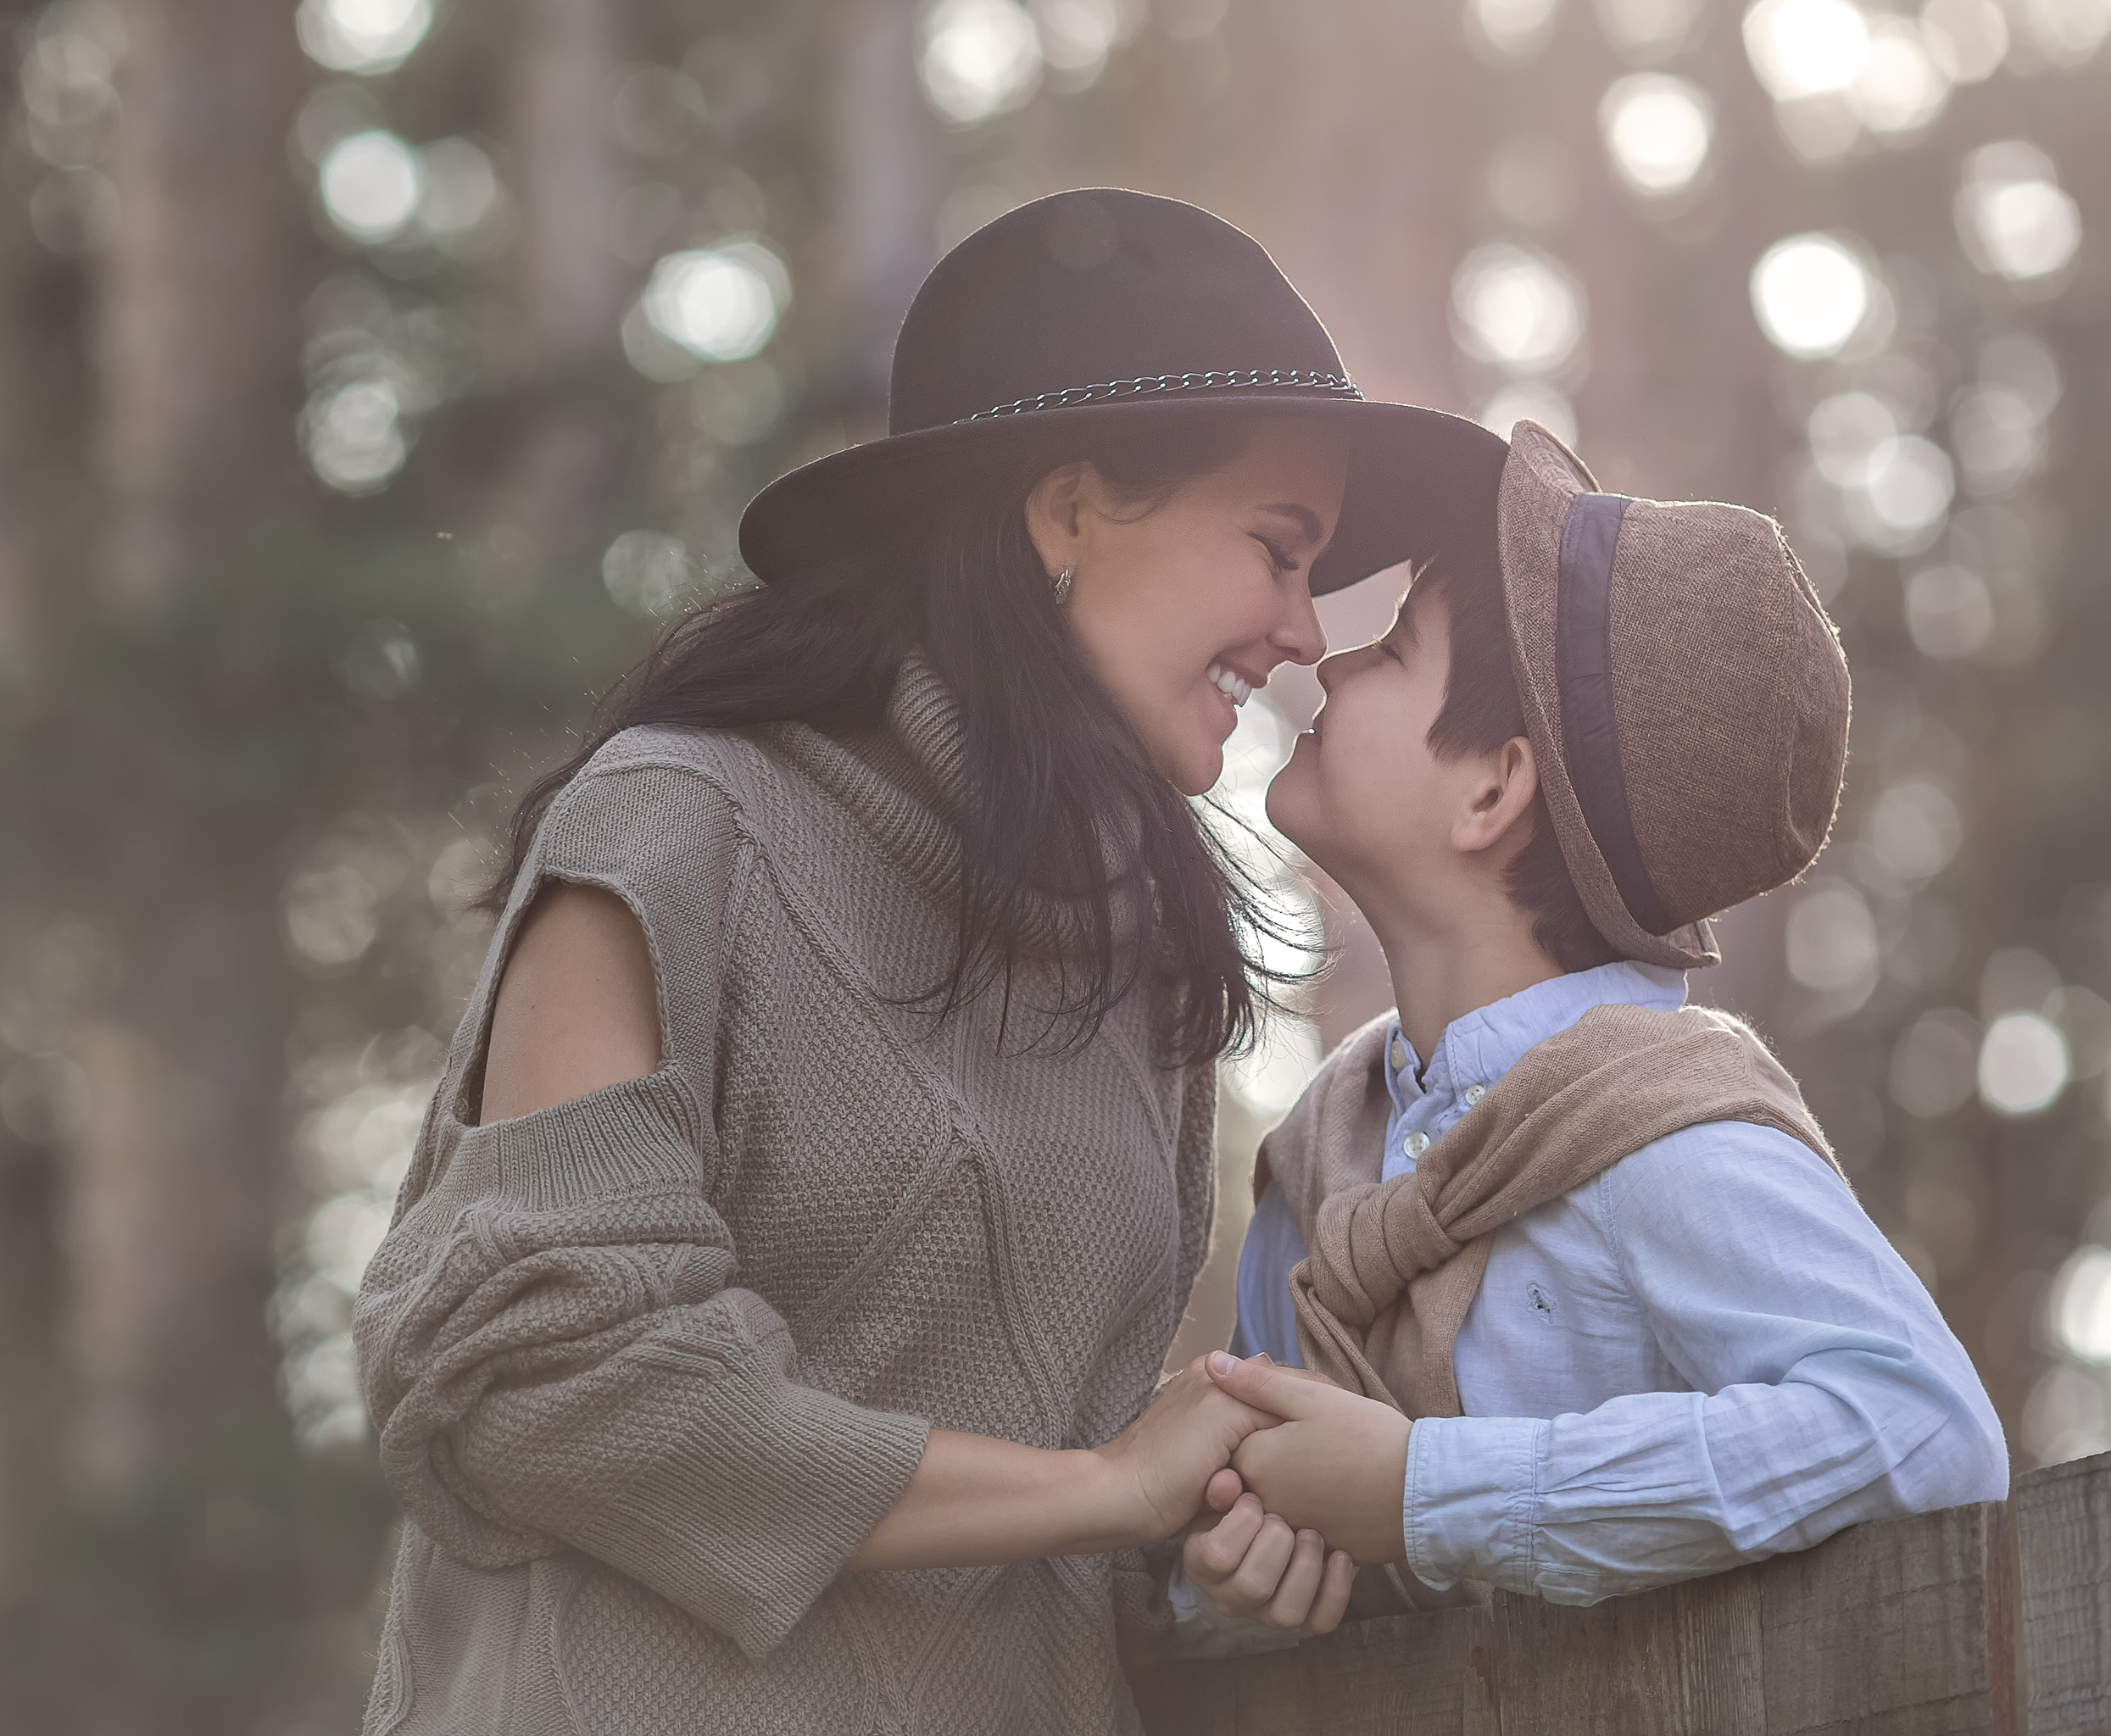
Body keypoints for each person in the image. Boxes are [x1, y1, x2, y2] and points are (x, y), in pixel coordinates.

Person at [349, 188, 1506, 1734]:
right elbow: (543, 1381)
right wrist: (1100, 1489)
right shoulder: (676, 832)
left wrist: (1193, 1540)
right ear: (1069, 508)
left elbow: (1057, 1479)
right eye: (1278, 550)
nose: (1305, 634)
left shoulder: (1134, 963)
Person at [1172, 420, 2008, 1648]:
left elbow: (1925, 1429)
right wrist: (1230, 1582)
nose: (1336, 665)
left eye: (1397, 651)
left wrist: (1426, 1494)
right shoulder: (1324, 1158)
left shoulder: (1657, 1127)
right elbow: (1239, 1577)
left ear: (1493, 790)